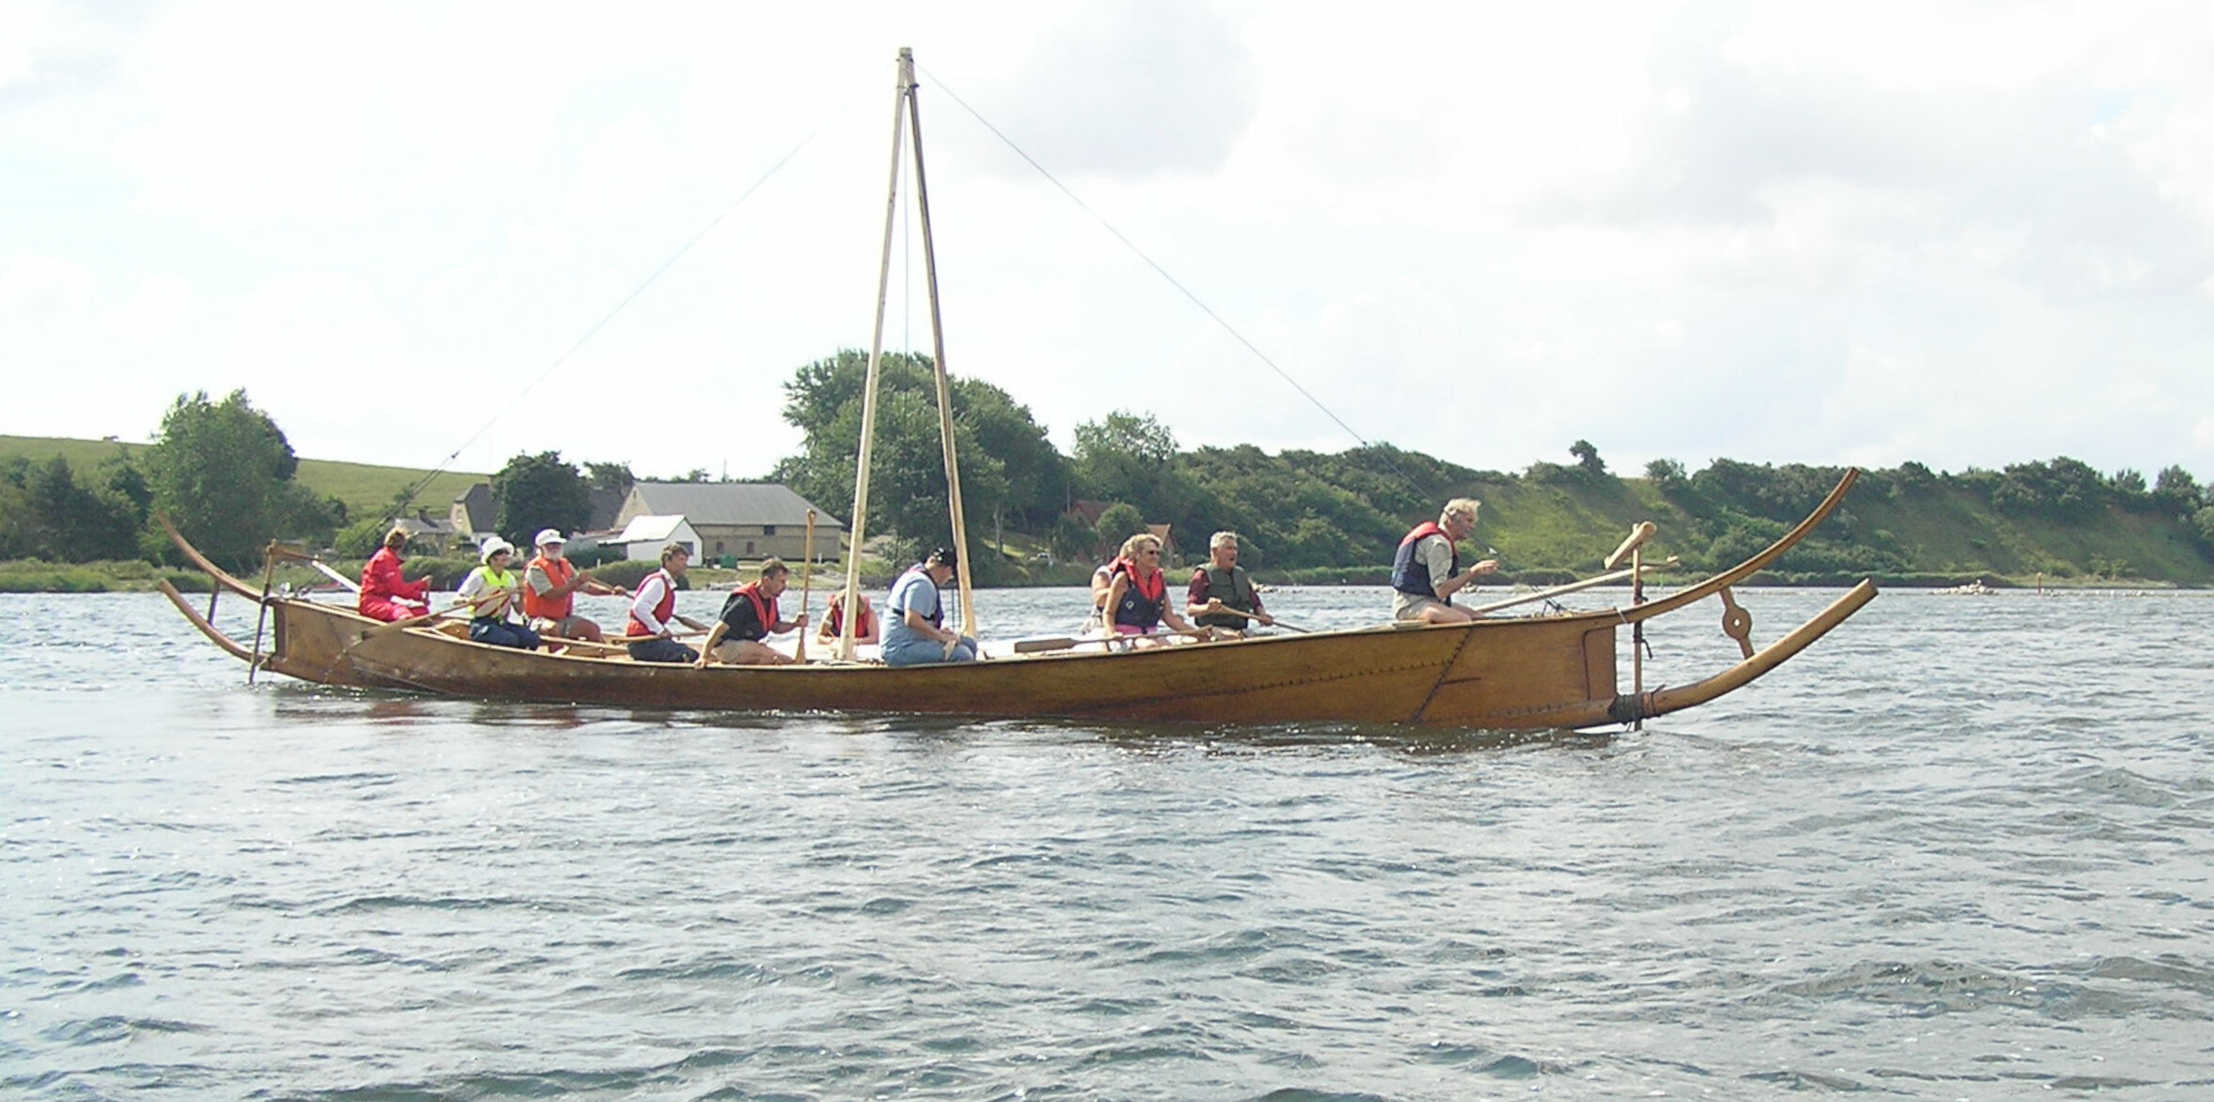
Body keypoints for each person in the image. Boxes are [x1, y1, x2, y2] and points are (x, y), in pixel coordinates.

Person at [1392, 498, 1500, 624]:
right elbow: (1442, 591)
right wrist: (1473, 572)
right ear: (1451, 520)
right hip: (1411, 605)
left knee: (1478, 617)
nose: (1472, 526)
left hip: (1430, 602)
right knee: (1461, 620)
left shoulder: (1441, 541)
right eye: (1469, 520)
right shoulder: (1438, 544)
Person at [697, 558, 807, 666]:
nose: (784, 587)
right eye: (781, 582)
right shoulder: (744, 601)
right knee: (778, 658)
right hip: (728, 646)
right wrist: (703, 656)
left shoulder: (770, 600)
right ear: (766, 580)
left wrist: (795, 624)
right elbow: (719, 628)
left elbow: (776, 627)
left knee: (776, 658)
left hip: (748, 646)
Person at [522, 529, 626, 643]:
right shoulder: (535, 569)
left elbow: (587, 587)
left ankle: (595, 656)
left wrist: (611, 591)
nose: (554, 547)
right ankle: (557, 658)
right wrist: (577, 583)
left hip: (562, 618)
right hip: (538, 620)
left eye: (557, 544)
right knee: (552, 629)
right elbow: (550, 594)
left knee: (592, 629)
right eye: (549, 545)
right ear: (541, 548)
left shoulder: (565, 565)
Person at [881, 547, 978, 666]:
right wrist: (941, 637)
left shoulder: (920, 577)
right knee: (962, 654)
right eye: (951, 574)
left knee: (970, 643)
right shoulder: (921, 584)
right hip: (899, 648)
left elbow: (919, 621)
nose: (949, 578)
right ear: (946, 570)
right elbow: (912, 620)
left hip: (913, 642)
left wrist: (939, 632)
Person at [1104, 532, 1199, 641]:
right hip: (1127, 635)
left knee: (1167, 648)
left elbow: (1170, 618)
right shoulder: (1123, 579)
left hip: (1151, 633)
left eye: (1157, 553)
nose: (1155, 557)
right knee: (1150, 646)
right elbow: (1109, 613)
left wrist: (1197, 634)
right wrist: (1112, 634)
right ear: (1137, 555)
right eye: (1151, 553)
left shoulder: (1159, 580)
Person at [624, 543, 709, 663]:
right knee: (691, 655)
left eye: (686, 560)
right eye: (681, 560)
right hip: (642, 643)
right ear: (667, 561)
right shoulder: (658, 582)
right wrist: (660, 630)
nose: (685, 564)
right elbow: (639, 607)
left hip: (650, 641)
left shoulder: (666, 584)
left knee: (690, 653)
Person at [456, 538, 543, 650]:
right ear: (491, 558)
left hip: (502, 623)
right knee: (509, 639)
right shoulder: (479, 576)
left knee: (532, 638)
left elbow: (519, 610)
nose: (505, 555)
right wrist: (467, 601)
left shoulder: (509, 578)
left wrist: (522, 595)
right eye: (500, 553)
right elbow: (457, 599)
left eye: (506, 552)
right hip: (482, 624)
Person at [1187, 530, 1273, 632]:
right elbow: (1190, 610)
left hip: (1240, 630)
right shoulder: (1203, 575)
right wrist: (1208, 608)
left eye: (1235, 549)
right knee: (1231, 637)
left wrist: (1262, 615)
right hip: (1212, 630)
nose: (1234, 553)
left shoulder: (1240, 575)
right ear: (1215, 551)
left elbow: (1255, 603)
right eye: (1229, 548)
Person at [357, 526, 432, 623]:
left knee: (421, 611)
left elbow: (397, 588)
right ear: (401, 547)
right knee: (400, 611)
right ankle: (407, 630)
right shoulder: (385, 560)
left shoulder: (389, 559)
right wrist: (422, 585)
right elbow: (397, 589)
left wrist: (419, 597)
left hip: (383, 601)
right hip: (371, 603)